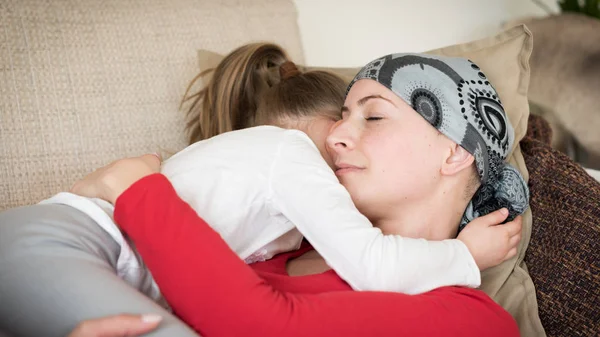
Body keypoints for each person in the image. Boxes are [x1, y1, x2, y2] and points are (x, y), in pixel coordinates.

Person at [67, 51, 528, 337]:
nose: (336, 137)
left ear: (454, 153)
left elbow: (258, 326)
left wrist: (138, 192)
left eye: (374, 117)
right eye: (343, 117)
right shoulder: (266, 242)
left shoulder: (470, 320)